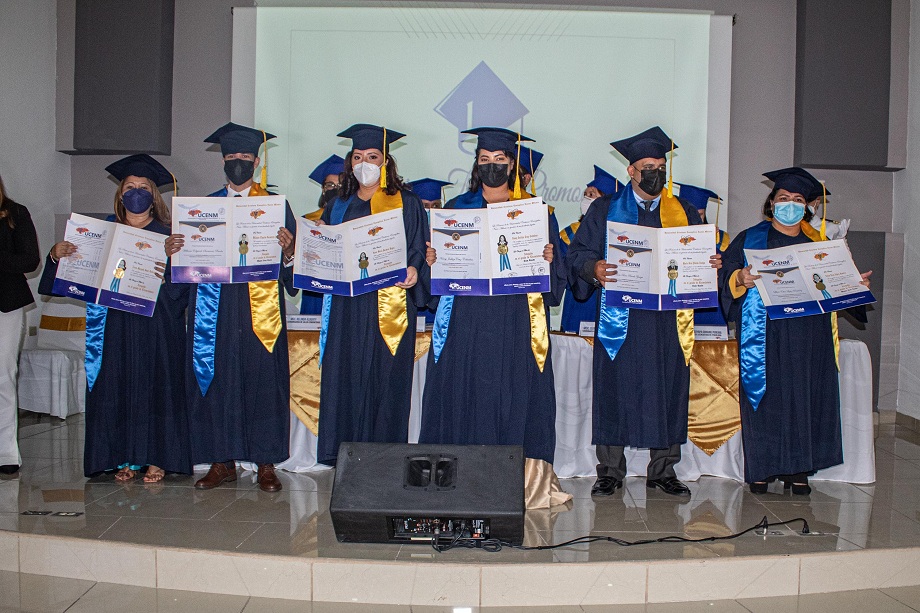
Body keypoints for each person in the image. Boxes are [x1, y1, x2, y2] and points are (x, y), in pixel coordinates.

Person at [565, 126, 722, 498]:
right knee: (614, 387)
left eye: (660, 165)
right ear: (631, 172)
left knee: (667, 386)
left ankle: (663, 469)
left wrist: (708, 264)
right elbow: (578, 255)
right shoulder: (605, 209)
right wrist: (595, 269)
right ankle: (610, 471)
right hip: (622, 316)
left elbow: (696, 260)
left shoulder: (683, 211)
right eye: (647, 166)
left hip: (668, 320)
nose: (655, 172)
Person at [421, 127, 570, 509]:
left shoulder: (536, 212)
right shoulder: (454, 209)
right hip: (466, 320)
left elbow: (553, 285)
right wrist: (432, 262)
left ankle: (516, 483)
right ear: (476, 164)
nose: (492, 167)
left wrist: (552, 261)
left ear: (513, 165)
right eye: (485, 160)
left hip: (515, 320)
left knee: (512, 391)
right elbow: (434, 279)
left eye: (500, 161)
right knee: (465, 390)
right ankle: (460, 479)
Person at [719, 166, 871, 495]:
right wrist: (739, 279)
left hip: (809, 336)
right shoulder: (749, 239)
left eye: (798, 199)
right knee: (768, 398)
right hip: (767, 335)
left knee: (806, 397)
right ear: (771, 203)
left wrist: (854, 286)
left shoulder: (822, 246)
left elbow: (840, 293)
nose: (790, 203)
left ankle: (800, 471)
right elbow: (727, 277)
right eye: (783, 197)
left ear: (808, 207)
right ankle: (762, 469)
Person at [39, 155, 191, 481]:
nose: (137, 193)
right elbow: (70, 282)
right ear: (120, 195)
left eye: (144, 187)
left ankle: (156, 458)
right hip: (115, 323)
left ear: (154, 195)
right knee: (117, 385)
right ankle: (123, 456)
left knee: (156, 387)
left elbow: (184, 292)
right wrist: (57, 256)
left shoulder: (169, 235)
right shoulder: (101, 232)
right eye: (130, 187)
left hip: (156, 323)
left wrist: (171, 265)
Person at [165, 123, 296, 492]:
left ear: (256, 162)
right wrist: (176, 256)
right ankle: (220, 461)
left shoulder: (275, 206)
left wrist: (289, 253)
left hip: (260, 311)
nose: (238, 162)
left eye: (245, 157)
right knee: (216, 378)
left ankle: (266, 461)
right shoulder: (201, 209)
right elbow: (184, 276)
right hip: (216, 309)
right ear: (224, 161)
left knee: (263, 378)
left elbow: (290, 270)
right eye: (232, 157)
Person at [314, 123, 428, 466]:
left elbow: (418, 249)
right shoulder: (337, 204)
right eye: (358, 157)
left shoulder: (406, 202)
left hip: (388, 305)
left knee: (385, 378)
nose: (365, 162)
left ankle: (384, 460)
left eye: (373, 156)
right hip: (347, 308)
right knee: (345, 377)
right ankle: (345, 458)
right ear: (350, 162)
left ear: (386, 162)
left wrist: (414, 270)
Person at [0, 174, 40, 476]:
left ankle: (6, 453)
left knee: (3, 376)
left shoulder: (15, 213)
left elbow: (30, 261)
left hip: (6, 303)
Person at [559, 165, 622, 333]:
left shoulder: (620, 234)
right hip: (577, 301)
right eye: (585, 195)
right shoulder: (571, 232)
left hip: (608, 304)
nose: (586, 199)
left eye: (592, 195)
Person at [676, 183, 730, 332]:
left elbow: (726, 275)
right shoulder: (668, 236)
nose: (695, 220)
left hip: (709, 309)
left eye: (699, 215)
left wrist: (711, 244)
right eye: (689, 214)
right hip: (676, 306)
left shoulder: (719, 238)